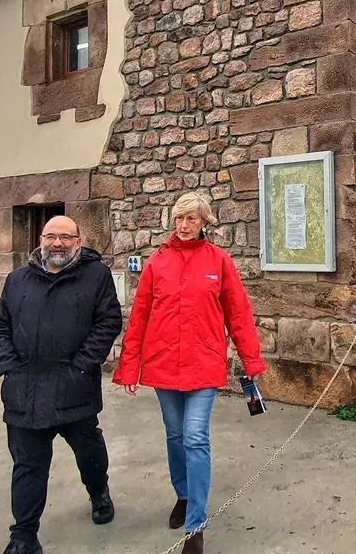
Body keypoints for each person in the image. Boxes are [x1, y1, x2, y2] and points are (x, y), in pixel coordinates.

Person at [112, 191, 266, 554]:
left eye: (191, 219)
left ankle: (196, 524)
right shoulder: (157, 262)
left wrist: (252, 362)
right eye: (179, 218)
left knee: (195, 437)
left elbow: (238, 315)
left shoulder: (219, 261)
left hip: (203, 365)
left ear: (204, 222)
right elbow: (139, 317)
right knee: (175, 435)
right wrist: (129, 367)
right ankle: (182, 494)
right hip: (163, 364)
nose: (183, 225)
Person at [0, 215, 123, 554]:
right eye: (50, 236)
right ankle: (24, 535)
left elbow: (108, 322)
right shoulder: (17, 279)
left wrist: (82, 367)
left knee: (89, 452)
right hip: (25, 391)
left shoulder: (96, 275)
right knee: (28, 466)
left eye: (65, 237)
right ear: (41, 240)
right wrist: (7, 365)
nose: (57, 243)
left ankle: (98, 491)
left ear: (78, 241)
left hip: (74, 387)